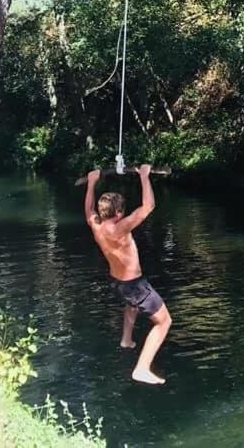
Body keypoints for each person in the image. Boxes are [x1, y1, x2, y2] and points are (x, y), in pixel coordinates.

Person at [84, 164, 172, 385]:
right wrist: (144, 176)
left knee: (130, 303)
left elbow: (88, 209)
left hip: (118, 282)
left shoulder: (95, 224)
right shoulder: (120, 228)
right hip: (134, 284)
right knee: (164, 322)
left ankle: (126, 339)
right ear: (120, 213)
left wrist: (92, 182)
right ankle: (141, 368)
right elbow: (149, 205)